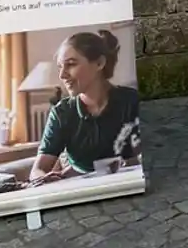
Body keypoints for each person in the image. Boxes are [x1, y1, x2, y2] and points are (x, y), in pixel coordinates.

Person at [30, 30, 140, 181]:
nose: (62, 75)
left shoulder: (132, 101)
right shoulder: (62, 113)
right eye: (60, 66)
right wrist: (43, 178)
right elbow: (37, 171)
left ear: (99, 63)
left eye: (70, 64)